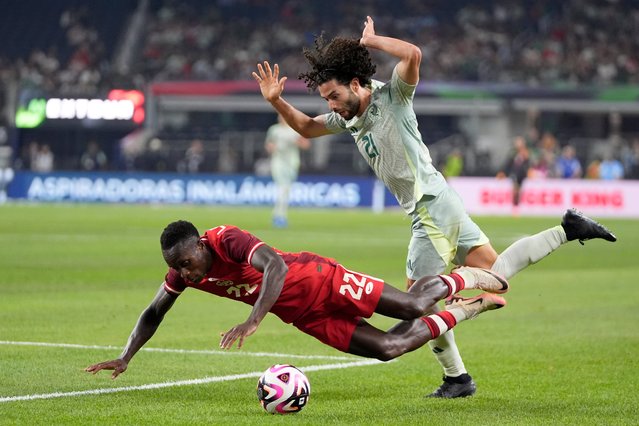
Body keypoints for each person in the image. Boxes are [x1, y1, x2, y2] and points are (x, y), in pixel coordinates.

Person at [252, 16, 618, 397]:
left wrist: (373, 41)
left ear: (356, 84)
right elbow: (308, 128)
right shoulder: (350, 117)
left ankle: (456, 378)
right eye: (326, 99)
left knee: (417, 303)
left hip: (429, 208)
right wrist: (277, 100)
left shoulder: (391, 96)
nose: (330, 104)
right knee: (493, 271)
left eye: (333, 96)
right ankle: (566, 229)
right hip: (440, 202)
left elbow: (412, 53)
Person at [86, 220, 509, 379]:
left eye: (185, 262)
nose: (184, 272)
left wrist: (252, 321)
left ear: (199, 244)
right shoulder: (184, 274)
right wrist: (126, 356)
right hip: (304, 316)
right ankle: (467, 309)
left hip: (322, 279)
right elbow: (152, 312)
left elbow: (276, 267)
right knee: (387, 348)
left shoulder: (227, 239)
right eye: (177, 267)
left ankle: (467, 275)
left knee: (413, 306)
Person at [265, 114, 310, 228]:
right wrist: (272, 148)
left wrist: (297, 143)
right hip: (278, 162)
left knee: (286, 189)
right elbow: (269, 145)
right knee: (283, 188)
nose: (281, 118)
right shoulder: (274, 130)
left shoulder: (294, 130)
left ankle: (278, 215)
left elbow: (306, 144)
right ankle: (279, 216)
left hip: (292, 163)